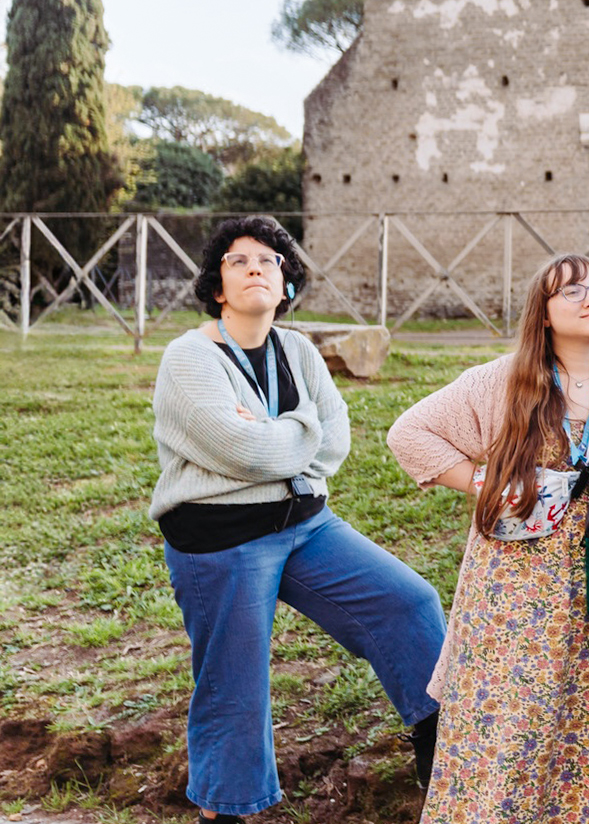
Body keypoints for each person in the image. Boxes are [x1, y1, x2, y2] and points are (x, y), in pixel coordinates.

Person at [150, 216, 444, 823]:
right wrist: (296, 430)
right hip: (222, 540)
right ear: (217, 286)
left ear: (286, 283)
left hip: (307, 526)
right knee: (236, 687)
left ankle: (446, 756)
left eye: (269, 259)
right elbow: (245, 451)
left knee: (408, 603)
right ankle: (225, 812)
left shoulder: (298, 349)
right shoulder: (188, 357)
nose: (256, 267)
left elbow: (335, 444)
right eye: (238, 261)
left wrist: (277, 434)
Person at [388, 253, 589, 822]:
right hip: (513, 606)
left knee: (587, 734)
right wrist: (485, 483)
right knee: (510, 737)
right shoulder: (504, 380)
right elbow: (410, 433)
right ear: (542, 314)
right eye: (572, 292)